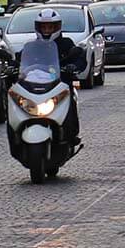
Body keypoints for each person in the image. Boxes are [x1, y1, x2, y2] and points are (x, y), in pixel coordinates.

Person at [34, 7, 86, 145]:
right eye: (44, 27)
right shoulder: (33, 45)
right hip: (36, 87)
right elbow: (21, 59)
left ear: (56, 27)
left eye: (50, 27)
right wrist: (13, 65)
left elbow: (80, 58)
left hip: (60, 85)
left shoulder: (67, 44)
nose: (47, 30)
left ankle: (71, 132)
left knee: (71, 100)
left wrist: (74, 66)